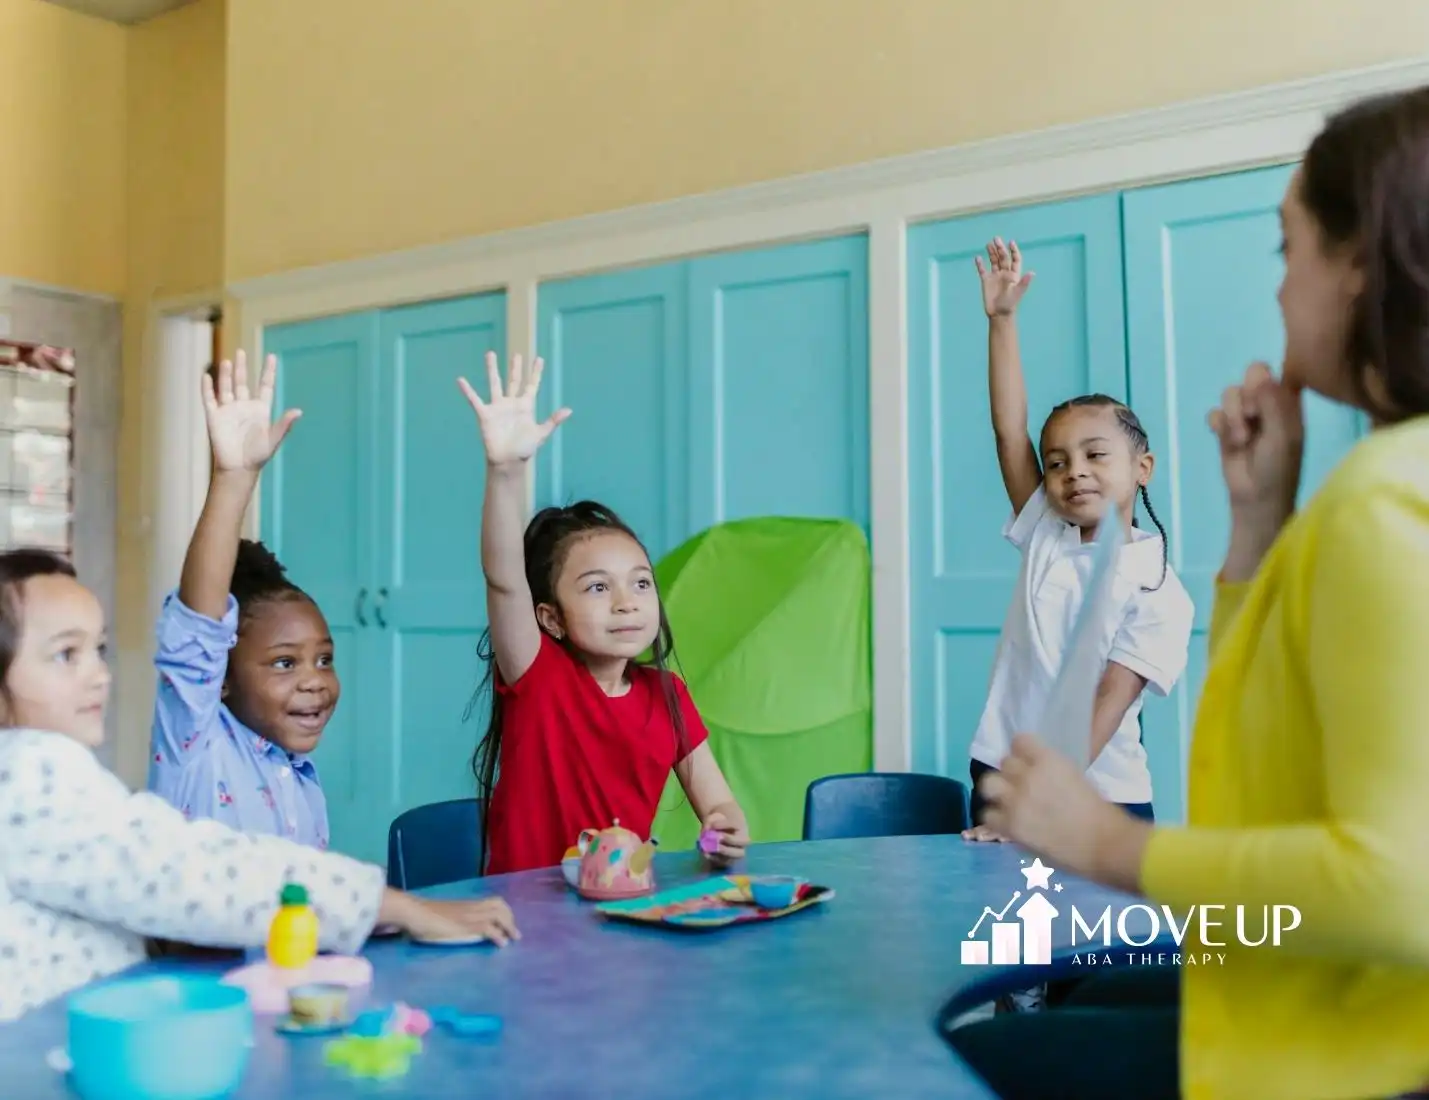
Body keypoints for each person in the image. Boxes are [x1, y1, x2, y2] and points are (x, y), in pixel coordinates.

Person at [954, 86, 1429, 1100]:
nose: (1277, 288)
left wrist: (1103, 839)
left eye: (1286, 249)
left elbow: (1401, 891)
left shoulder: (1386, 504)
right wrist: (1258, 520)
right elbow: (1271, 744)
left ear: (1358, 264)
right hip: (1286, 998)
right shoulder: (1378, 495)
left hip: (1325, 1055)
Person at [0, 549, 519, 1023]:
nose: (99, 675)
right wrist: (399, 907)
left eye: (100, 649)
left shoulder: (42, 772)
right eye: (66, 654)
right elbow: (197, 872)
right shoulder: (27, 775)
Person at [458, 351, 750, 875]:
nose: (626, 601)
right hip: (527, 919)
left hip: (624, 912)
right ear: (550, 618)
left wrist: (727, 829)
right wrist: (504, 473)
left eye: (641, 582)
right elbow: (504, 578)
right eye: (597, 587)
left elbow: (720, 807)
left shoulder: (668, 695)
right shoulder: (538, 676)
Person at [961, 238, 1195, 843]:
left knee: (1102, 940)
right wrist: (1003, 321)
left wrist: (1043, 800)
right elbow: (1008, 428)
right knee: (1010, 933)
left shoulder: (1158, 587)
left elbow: (1108, 702)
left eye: (1095, 455)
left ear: (1142, 467)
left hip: (1099, 796)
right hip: (1004, 770)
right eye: (1057, 462)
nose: (1074, 473)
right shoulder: (1046, 531)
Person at [149, 352, 335, 847]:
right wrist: (234, 479)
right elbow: (198, 630)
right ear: (221, 679)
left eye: (323, 659)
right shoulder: (196, 745)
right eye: (283, 663)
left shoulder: (299, 777)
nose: (314, 681)